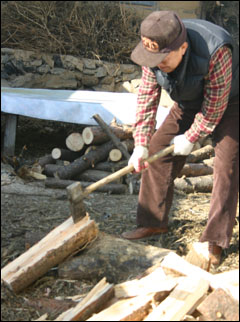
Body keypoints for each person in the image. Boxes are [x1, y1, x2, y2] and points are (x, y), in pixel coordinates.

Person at [121, 11, 239, 266]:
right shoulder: (152, 51)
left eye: (163, 60)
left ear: (183, 48)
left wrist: (192, 136)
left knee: (227, 164)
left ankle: (216, 240)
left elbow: (215, 106)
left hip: (231, 101)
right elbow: (146, 97)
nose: (156, 64)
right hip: (188, 101)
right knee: (157, 148)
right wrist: (140, 142)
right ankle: (153, 222)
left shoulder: (216, 49)